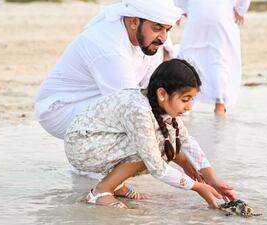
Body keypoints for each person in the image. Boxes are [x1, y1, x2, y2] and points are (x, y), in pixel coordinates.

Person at [64, 59, 237, 208]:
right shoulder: (139, 110)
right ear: (162, 93)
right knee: (156, 145)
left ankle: (116, 184)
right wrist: (197, 187)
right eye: (185, 99)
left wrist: (211, 177)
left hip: (100, 141)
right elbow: (157, 168)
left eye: (192, 99)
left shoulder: (157, 105)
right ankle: (101, 192)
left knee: (165, 138)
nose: (189, 106)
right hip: (82, 146)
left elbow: (186, 141)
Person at [34, 0, 182, 139]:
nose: (163, 38)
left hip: (98, 97)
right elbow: (130, 108)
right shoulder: (109, 48)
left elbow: (152, 89)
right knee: (137, 124)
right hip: (61, 110)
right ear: (134, 21)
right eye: (157, 28)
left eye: (167, 30)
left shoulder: (150, 37)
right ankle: (89, 163)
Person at [175, 0, 251, 116]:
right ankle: (220, 107)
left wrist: (180, 9)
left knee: (190, 55)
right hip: (222, 14)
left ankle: (185, 104)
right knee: (219, 59)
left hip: (197, 11)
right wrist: (241, 10)